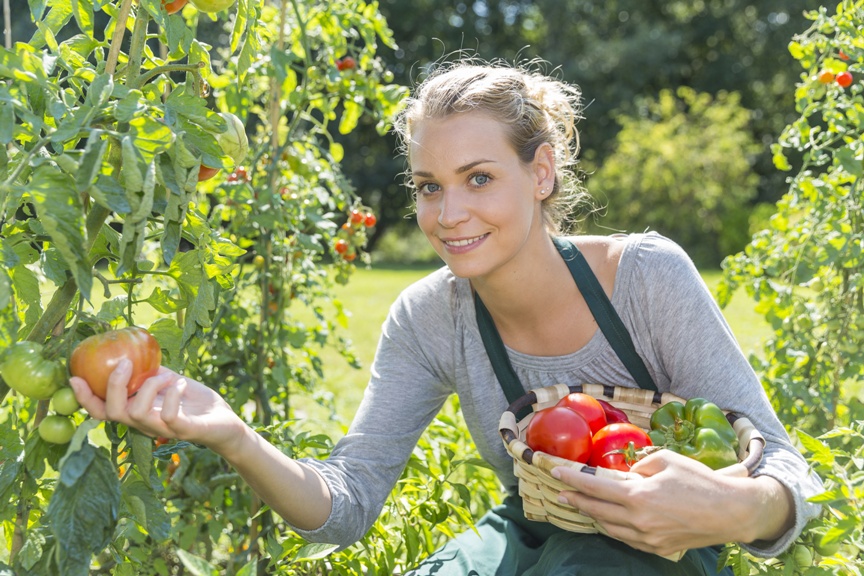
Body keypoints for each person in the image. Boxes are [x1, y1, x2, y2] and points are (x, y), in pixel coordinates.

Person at [70, 59, 823, 575]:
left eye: (479, 178)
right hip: (527, 538)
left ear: (541, 172)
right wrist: (233, 434)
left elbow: (789, 472)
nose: (449, 213)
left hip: (660, 557)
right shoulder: (430, 316)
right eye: (429, 186)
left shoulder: (645, 278)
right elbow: (346, 503)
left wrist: (729, 511)